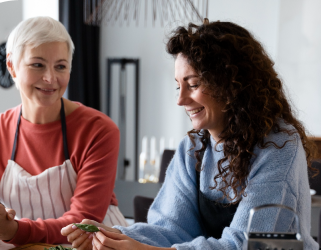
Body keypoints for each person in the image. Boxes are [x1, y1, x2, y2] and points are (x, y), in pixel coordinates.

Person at [62, 19, 319, 250]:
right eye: (178, 86)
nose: (181, 99)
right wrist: (112, 236)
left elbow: (247, 245)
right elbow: (171, 230)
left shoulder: (279, 145)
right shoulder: (192, 149)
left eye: (193, 84)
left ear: (231, 84)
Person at [0, 16, 128, 246]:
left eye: (60, 66)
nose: (50, 78)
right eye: (37, 64)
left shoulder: (99, 131)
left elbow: (82, 223)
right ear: (11, 65)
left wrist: (12, 229)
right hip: (29, 244)